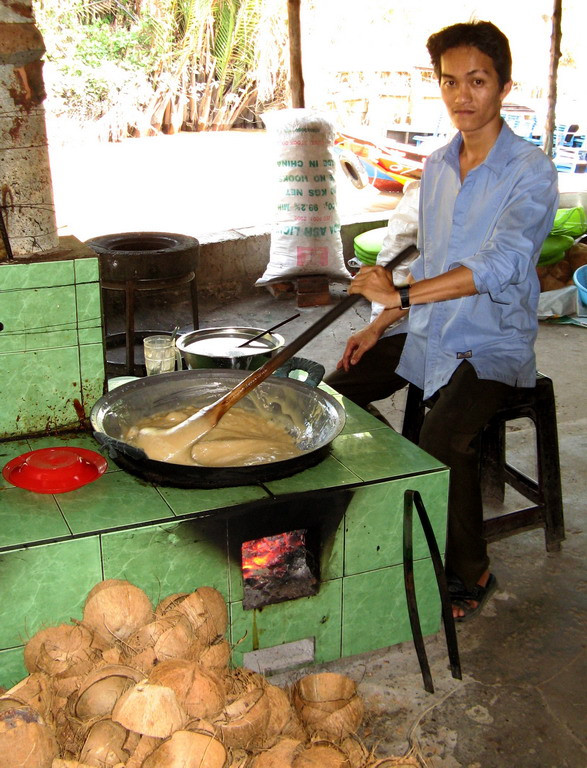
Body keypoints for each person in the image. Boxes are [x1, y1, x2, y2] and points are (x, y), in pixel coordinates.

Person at [325, 20, 559, 621]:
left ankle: (471, 572)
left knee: (442, 439)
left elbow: (500, 263)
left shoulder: (529, 171)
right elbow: (429, 257)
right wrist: (379, 323)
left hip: (492, 344)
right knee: (336, 390)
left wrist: (399, 298)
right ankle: (387, 508)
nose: (462, 96)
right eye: (450, 82)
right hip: (428, 333)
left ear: (504, 86)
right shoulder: (436, 165)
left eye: (477, 81)